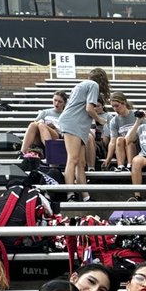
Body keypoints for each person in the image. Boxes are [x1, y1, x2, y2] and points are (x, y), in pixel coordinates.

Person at [57, 68, 110, 197]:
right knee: (73, 159)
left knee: (81, 163)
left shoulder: (82, 85)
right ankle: (70, 194)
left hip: (77, 123)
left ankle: (85, 196)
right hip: (73, 122)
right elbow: (89, 109)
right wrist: (100, 120)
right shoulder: (93, 85)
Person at [21, 91, 66, 157]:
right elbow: (35, 124)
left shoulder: (66, 114)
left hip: (57, 135)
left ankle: (51, 153)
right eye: (55, 100)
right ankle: (23, 151)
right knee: (33, 125)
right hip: (40, 136)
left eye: (60, 102)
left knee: (42, 125)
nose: (56, 103)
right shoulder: (45, 112)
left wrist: (52, 127)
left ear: (64, 103)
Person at [101, 93, 135, 170]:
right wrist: (108, 158)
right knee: (119, 139)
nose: (115, 109)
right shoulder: (114, 120)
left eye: (117, 106)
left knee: (128, 139)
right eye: (113, 106)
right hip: (122, 147)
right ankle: (121, 166)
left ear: (124, 103)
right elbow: (113, 141)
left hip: (135, 146)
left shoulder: (135, 115)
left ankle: (130, 165)